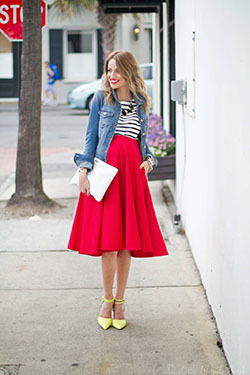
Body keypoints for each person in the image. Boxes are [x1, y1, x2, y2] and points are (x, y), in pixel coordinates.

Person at [68, 50, 168, 330]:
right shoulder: (101, 99)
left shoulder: (140, 103)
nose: (111, 76)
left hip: (132, 176)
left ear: (128, 71)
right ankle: (106, 299)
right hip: (107, 171)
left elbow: (141, 140)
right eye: (108, 70)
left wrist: (149, 160)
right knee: (109, 243)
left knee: (126, 244)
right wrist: (84, 170)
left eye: (116, 71)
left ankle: (120, 302)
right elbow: (91, 137)